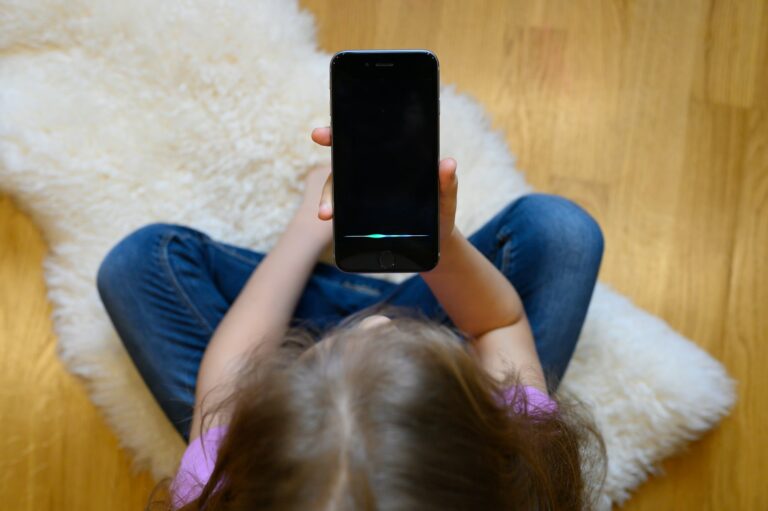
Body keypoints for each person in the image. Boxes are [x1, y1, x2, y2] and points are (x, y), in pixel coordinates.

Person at [97, 126, 607, 510]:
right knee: (562, 233)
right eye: (396, 339)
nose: (373, 323)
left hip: (289, 323)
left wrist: (308, 228)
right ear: (477, 431)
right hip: (455, 305)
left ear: (263, 426)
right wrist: (432, 244)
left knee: (136, 264)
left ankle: (327, 290)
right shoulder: (523, 470)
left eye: (332, 347)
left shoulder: (219, 487)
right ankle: (390, 285)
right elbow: (497, 324)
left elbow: (230, 371)